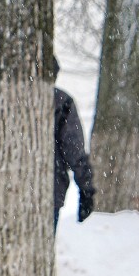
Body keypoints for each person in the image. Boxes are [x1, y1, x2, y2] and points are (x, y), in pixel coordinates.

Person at [53, 67, 96, 226]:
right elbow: (74, 149)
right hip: (49, 188)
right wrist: (86, 190)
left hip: (7, 190)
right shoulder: (60, 101)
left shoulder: (4, 98)